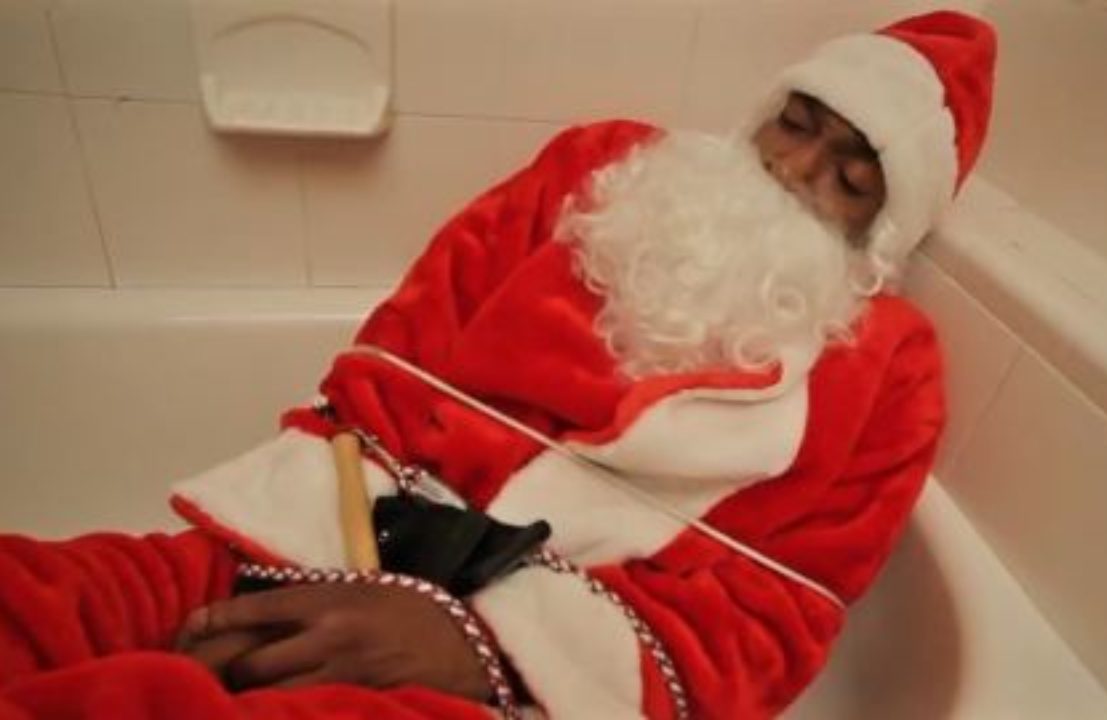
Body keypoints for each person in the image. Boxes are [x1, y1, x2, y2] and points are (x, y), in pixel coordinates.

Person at [0, 11, 995, 720]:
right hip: (338, 518)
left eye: (849, 177)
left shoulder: (888, 369)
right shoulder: (605, 170)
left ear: (884, 228)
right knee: (55, 601)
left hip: (533, 667)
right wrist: (335, 555)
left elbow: (768, 618)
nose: (793, 168)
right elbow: (393, 361)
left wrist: (473, 641)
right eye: (797, 123)